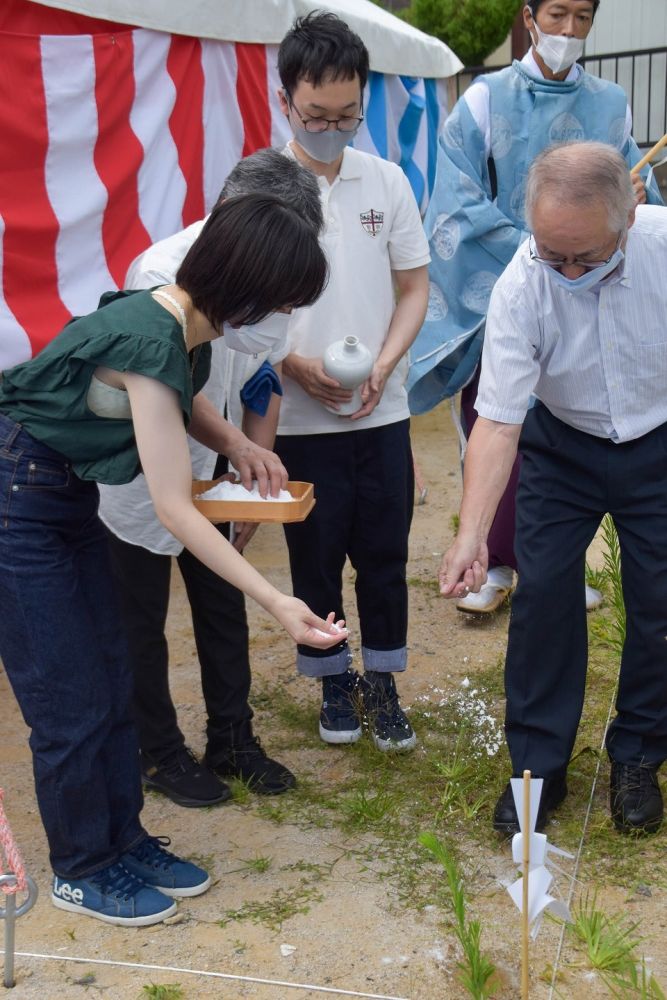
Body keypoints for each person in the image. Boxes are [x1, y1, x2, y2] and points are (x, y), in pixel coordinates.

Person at [0, 193, 347, 926]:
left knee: (112, 676)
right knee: (68, 699)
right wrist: (276, 601)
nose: (285, 322)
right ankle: (81, 866)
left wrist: (238, 444)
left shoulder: (178, 326)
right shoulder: (153, 337)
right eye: (284, 302)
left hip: (63, 496)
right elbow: (173, 507)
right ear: (247, 288)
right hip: (18, 502)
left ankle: (121, 839)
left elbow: (173, 401)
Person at [439, 141, 667, 835]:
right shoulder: (522, 282)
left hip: (657, 441)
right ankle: (537, 769)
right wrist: (471, 535)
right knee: (540, 597)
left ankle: (636, 755)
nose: (566, 272)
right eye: (552, 254)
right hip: (561, 444)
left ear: (626, 220)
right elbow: (499, 419)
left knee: (660, 602)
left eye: (585, 258)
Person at [408, 0, 663, 616]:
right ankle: (493, 558)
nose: (568, 31)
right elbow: (458, 199)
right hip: (509, 278)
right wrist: (540, 253)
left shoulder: (610, 103)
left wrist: (621, 203)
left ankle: (552, 564)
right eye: (557, 14)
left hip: (596, 282)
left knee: (572, 431)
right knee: (497, 420)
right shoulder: (485, 99)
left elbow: (638, 192)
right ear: (528, 16)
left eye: (582, 18)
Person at [97, 149, 325, 807]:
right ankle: (158, 750)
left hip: (217, 461)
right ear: (235, 218)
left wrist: (256, 463)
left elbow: (263, 371)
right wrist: (235, 447)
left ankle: (233, 738)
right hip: (142, 466)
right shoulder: (161, 271)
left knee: (222, 602)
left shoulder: (278, 261)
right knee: (138, 614)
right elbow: (165, 383)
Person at [272, 12, 430, 751]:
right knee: (316, 552)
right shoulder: (260, 186)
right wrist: (289, 363)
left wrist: (385, 365)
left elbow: (413, 289)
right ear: (285, 102)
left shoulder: (387, 180)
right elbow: (235, 303)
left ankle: (384, 680)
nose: (333, 129)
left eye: (347, 116)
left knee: (383, 552)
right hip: (302, 416)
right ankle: (333, 676)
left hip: (379, 408)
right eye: (316, 116)